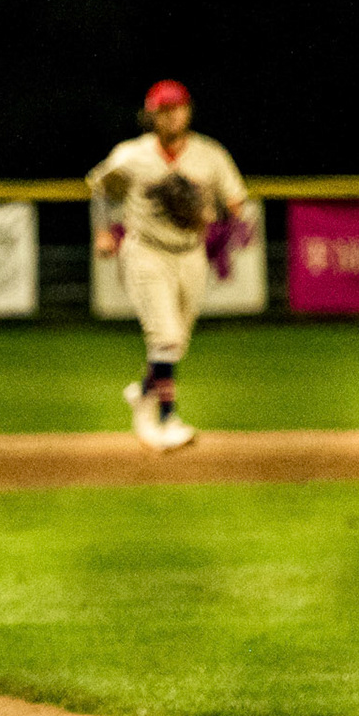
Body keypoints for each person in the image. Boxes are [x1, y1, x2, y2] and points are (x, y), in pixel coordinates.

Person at [88, 80, 249, 451]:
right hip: (146, 252)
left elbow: (236, 203)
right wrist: (103, 233)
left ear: (188, 111)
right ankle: (165, 418)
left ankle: (144, 391)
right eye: (163, 109)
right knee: (164, 337)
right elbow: (100, 187)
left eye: (177, 107)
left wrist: (213, 212)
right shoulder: (132, 155)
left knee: (176, 344)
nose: (172, 114)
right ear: (151, 115)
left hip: (190, 254)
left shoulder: (210, 155)